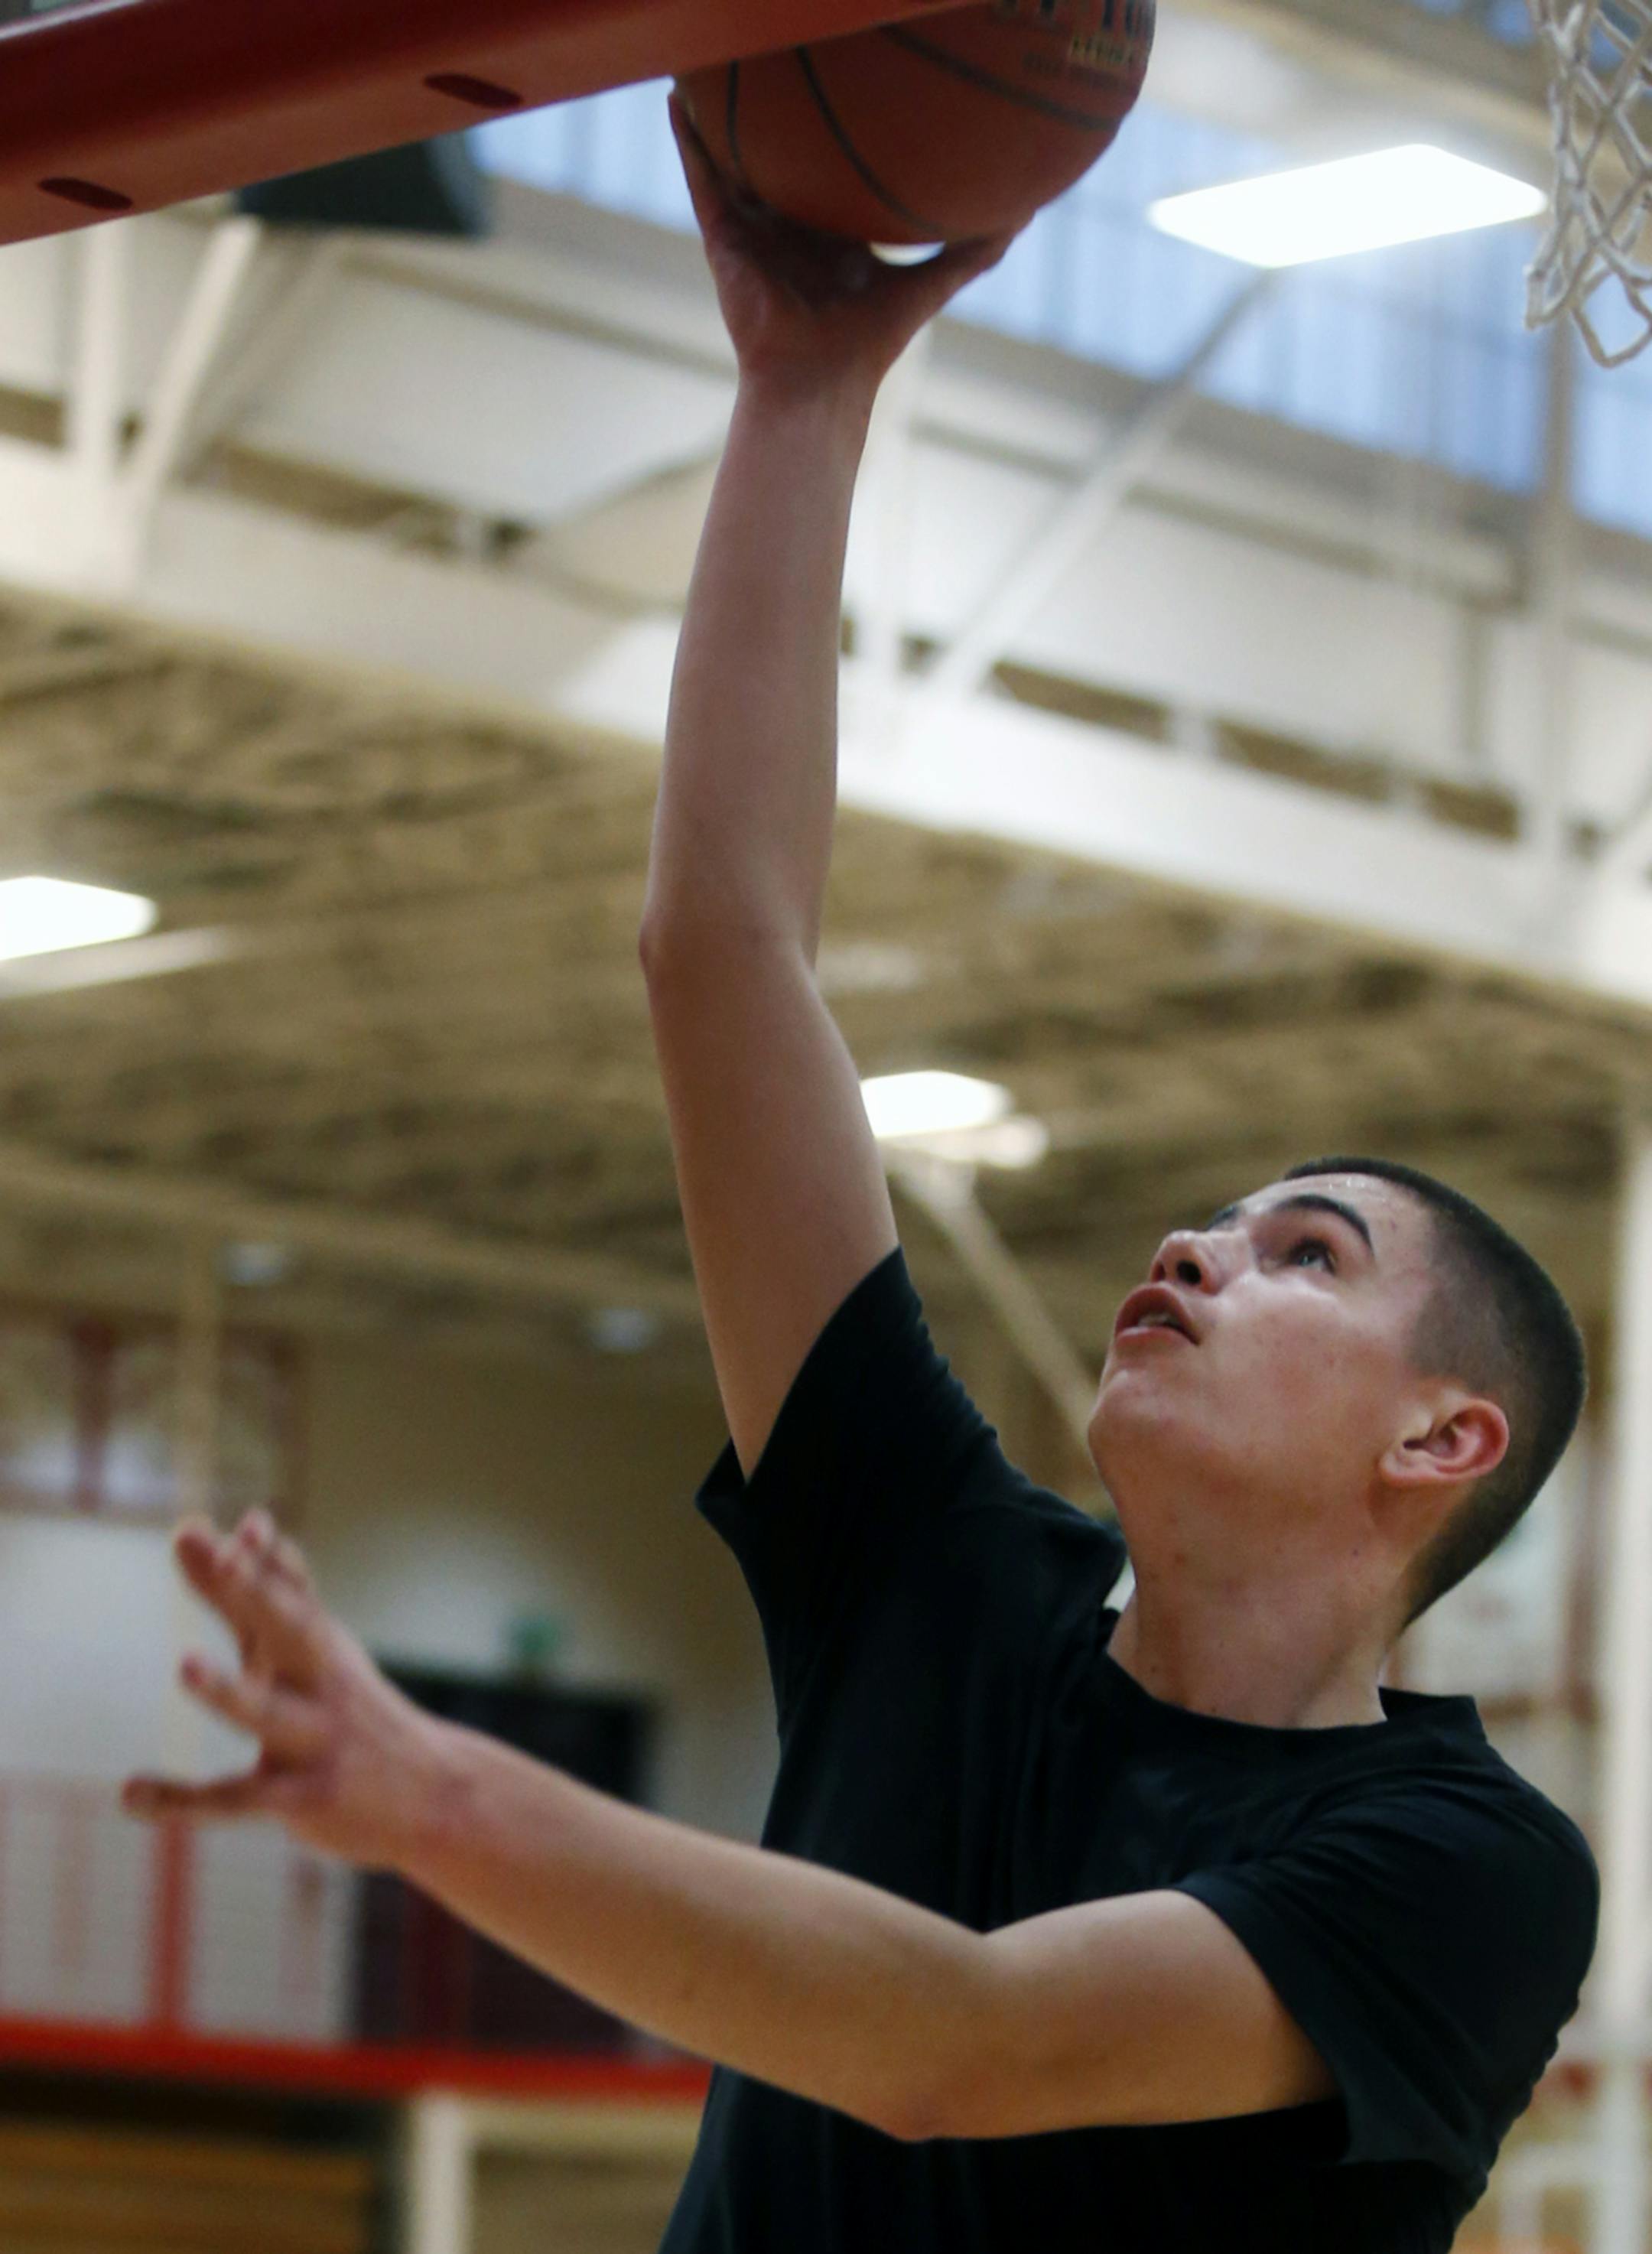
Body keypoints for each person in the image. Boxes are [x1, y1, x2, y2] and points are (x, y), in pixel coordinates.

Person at [125, 103, 1598, 2254]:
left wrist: (432, 1789)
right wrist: (802, 394)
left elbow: (963, 2042)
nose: (1194, 1244)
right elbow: (721, 947)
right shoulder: (938, 1569)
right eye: (1220, 1217)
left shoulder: (1466, 1863)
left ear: (1439, 1434)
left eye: (1306, 1252)